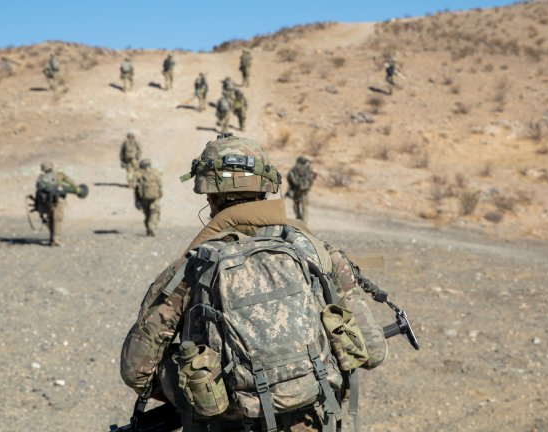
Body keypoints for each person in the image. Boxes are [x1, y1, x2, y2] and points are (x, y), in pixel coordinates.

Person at [120, 133, 388, 432]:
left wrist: (203, 390)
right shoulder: (316, 251)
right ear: (266, 187)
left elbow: (136, 371)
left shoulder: (189, 269)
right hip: (312, 420)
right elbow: (372, 351)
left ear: (210, 197)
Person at [33, 161, 80, 247]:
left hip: (47, 202)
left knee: (51, 219)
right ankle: (56, 240)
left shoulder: (41, 178)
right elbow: (71, 183)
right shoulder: (59, 175)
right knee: (57, 220)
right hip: (58, 201)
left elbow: (38, 190)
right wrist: (77, 190)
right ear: (52, 166)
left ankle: (52, 239)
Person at [134, 159, 162, 237]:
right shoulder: (155, 173)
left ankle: (148, 229)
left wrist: (137, 199)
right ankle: (151, 227)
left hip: (144, 198)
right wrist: (159, 195)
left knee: (147, 214)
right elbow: (160, 185)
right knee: (154, 212)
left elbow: (136, 188)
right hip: (154, 197)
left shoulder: (139, 175)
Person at [286, 155, 317, 222]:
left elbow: (290, 179)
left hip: (299, 191)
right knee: (303, 208)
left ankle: (300, 221)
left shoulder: (296, 169)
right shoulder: (307, 169)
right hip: (301, 191)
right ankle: (302, 222)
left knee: (300, 207)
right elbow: (311, 179)